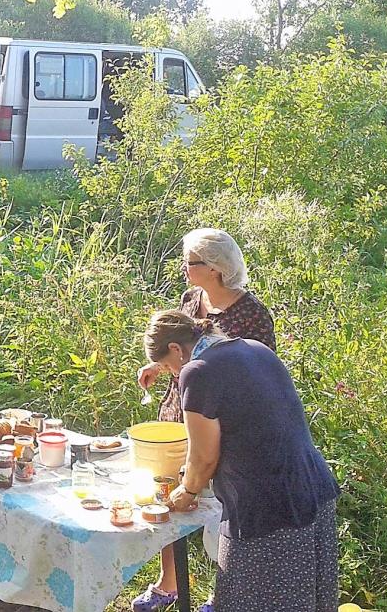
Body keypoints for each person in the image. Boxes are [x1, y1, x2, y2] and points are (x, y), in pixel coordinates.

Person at [143, 310, 339, 612]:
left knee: (250, 602)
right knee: (308, 602)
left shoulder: (196, 372)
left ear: (175, 349)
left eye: (168, 366)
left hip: (268, 508)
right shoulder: (254, 348)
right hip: (313, 488)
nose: (172, 373)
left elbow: (204, 457)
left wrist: (187, 490)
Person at [132, 228, 276, 612]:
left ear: (215, 268)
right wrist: (159, 366)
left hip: (224, 425)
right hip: (180, 410)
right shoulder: (192, 299)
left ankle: (220, 593)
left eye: (190, 263)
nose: (183, 268)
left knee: (222, 508)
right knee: (168, 491)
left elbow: (261, 376)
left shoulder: (253, 315)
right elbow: (179, 348)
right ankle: (169, 583)